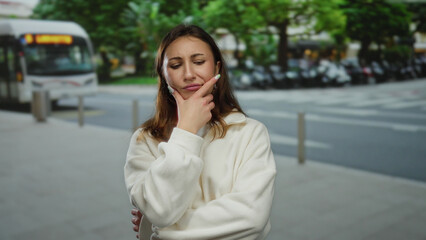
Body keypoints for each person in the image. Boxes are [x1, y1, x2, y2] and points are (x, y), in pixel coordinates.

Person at [124, 24, 276, 240]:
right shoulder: (145, 139)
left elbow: (251, 217)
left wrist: (163, 231)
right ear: (163, 74)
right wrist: (186, 130)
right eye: (176, 65)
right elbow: (161, 210)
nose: (188, 74)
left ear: (216, 68)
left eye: (198, 62)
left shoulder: (250, 132)